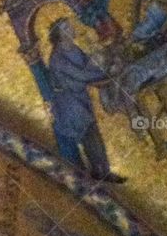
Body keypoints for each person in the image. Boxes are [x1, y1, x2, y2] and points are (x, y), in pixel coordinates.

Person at [46, 18, 124, 181]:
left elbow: (88, 63)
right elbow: (80, 75)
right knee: (89, 136)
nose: (71, 29)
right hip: (69, 104)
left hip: (80, 99)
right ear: (59, 35)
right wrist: (106, 74)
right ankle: (99, 174)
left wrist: (104, 63)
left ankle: (103, 172)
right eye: (66, 28)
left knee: (93, 135)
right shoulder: (57, 58)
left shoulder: (73, 48)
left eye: (69, 26)